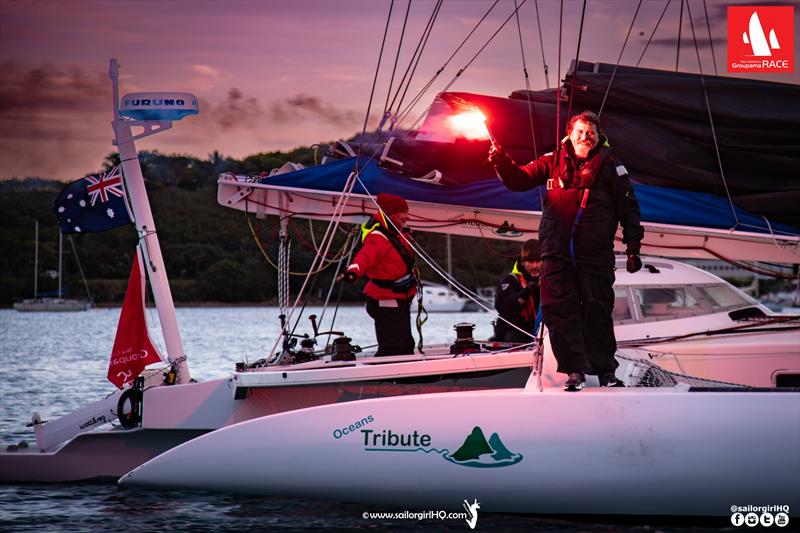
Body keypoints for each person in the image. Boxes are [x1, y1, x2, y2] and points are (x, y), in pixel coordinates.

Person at [489, 111, 644, 391]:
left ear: (598, 137)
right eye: (581, 132)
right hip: (556, 251)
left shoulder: (611, 166)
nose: (586, 137)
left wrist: (633, 247)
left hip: (595, 252)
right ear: (570, 135)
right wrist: (501, 161)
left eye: (591, 132)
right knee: (560, 310)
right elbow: (518, 180)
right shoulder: (551, 161)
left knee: (597, 308)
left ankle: (605, 370)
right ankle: (574, 371)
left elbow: (628, 208)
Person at [337, 193, 417, 356]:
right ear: (391, 214)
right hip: (385, 299)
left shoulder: (396, 234)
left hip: (398, 299)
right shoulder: (378, 237)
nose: (407, 216)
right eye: (403, 212)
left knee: (406, 344)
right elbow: (365, 257)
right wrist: (353, 273)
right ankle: (385, 378)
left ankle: (405, 376)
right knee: (393, 347)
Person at [493, 239, 541, 344]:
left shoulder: (550, 279)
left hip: (541, 333)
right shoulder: (511, 280)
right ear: (523, 262)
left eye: (538, 261)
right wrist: (526, 291)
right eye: (530, 261)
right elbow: (501, 306)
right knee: (513, 336)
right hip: (515, 335)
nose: (534, 266)